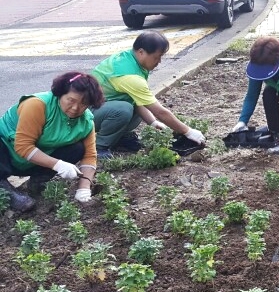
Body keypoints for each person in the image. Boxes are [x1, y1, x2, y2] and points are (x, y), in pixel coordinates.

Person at [91, 31, 206, 159]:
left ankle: (119, 138)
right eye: (157, 57)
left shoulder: (129, 59)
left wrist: (153, 123)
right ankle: (99, 146)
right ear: (141, 52)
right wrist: (188, 131)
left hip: (103, 107)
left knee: (136, 103)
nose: (159, 61)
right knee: (124, 110)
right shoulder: (129, 76)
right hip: (86, 114)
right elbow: (159, 112)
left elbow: (141, 102)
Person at [0, 72, 105, 212]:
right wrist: (58, 165)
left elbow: (90, 156)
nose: (75, 108)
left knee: (78, 148)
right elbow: (22, 146)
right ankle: (5, 191)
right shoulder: (37, 105)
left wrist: (84, 187)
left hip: (32, 161)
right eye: (71, 100)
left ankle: (37, 182)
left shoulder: (86, 122)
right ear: (61, 94)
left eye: (83, 104)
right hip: (7, 153)